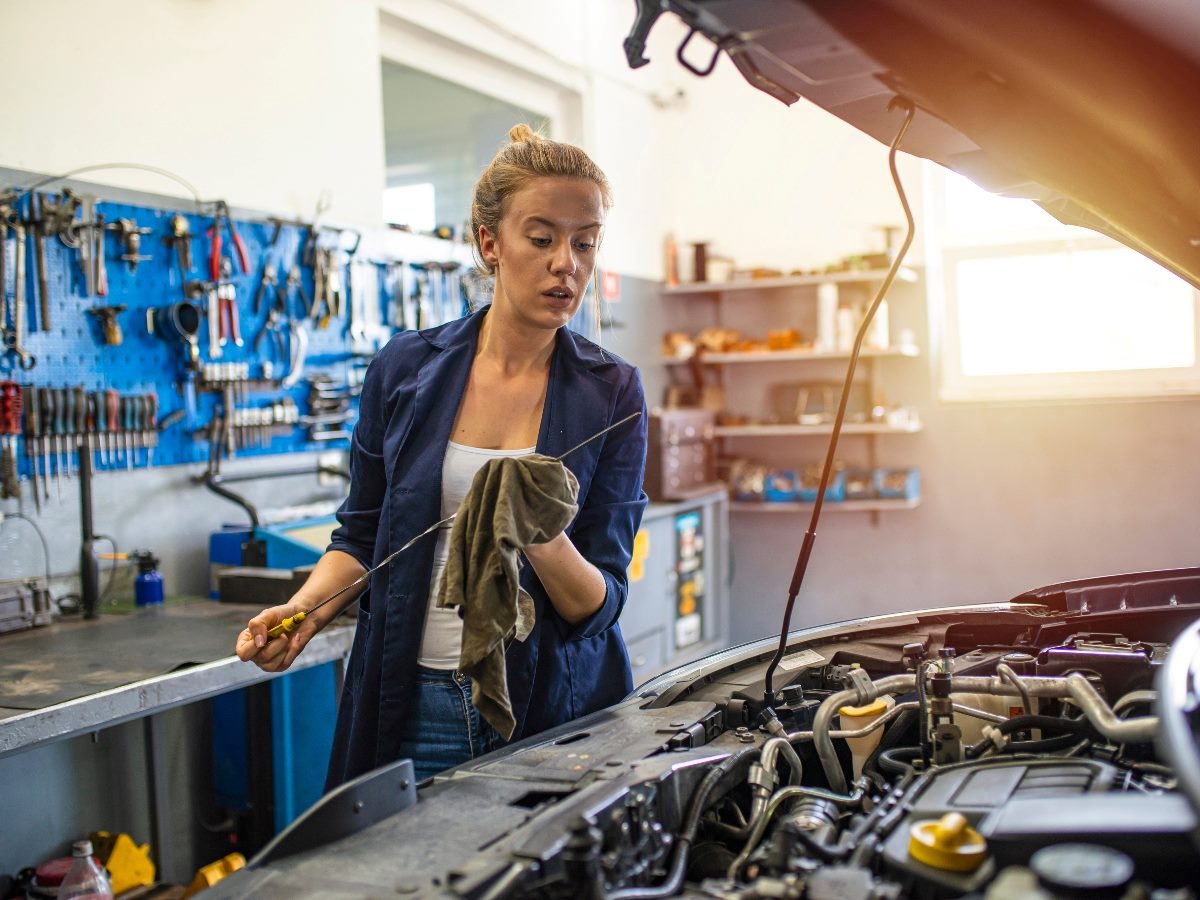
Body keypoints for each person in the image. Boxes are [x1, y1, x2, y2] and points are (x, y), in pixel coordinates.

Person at [235, 124, 648, 787]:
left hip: (548, 711)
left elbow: (599, 603)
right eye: (541, 239)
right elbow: (363, 536)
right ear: (490, 242)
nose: (565, 263)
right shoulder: (404, 368)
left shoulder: (613, 391)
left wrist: (537, 533)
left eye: (584, 243)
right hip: (410, 701)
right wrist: (305, 612)